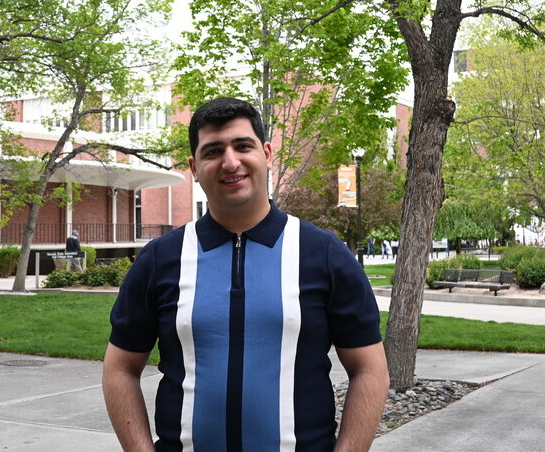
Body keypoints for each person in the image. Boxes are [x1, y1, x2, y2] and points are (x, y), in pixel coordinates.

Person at [103, 97, 389, 452]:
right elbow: (120, 368)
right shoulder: (161, 259)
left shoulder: (324, 254)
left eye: (243, 146)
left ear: (267, 154)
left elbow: (370, 368)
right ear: (194, 166)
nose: (230, 162)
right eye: (213, 151)